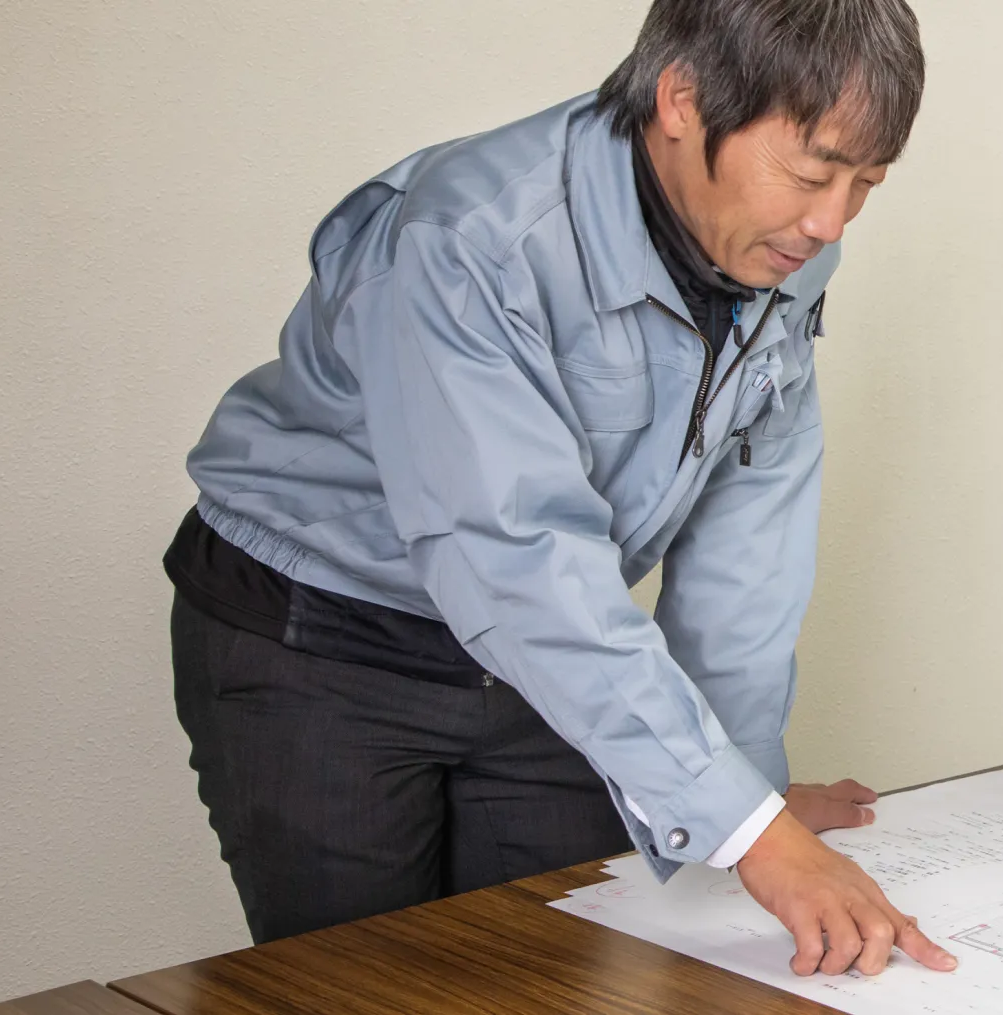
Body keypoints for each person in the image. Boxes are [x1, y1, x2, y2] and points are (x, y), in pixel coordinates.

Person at [164, 0, 954, 978]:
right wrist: (752, 833)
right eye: (811, 172)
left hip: (547, 653)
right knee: (366, 987)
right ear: (682, 99)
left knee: (558, 973)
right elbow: (509, 551)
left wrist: (741, 790)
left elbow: (751, 535)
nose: (830, 221)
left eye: (865, 182)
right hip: (320, 641)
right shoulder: (470, 237)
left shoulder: (785, 248)